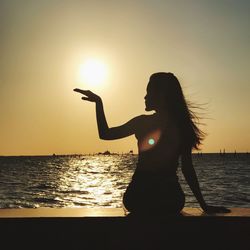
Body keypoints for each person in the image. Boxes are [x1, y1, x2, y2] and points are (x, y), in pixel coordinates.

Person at [74, 72, 230, 215]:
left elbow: (105, 134)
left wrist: (98, 103)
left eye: (149, 92)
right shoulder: (182, 126)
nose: (145, 97)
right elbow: (187, 169)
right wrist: (204, 205)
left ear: (161, 95)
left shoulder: (142, 123)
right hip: (170, 200)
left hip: (138, 198)